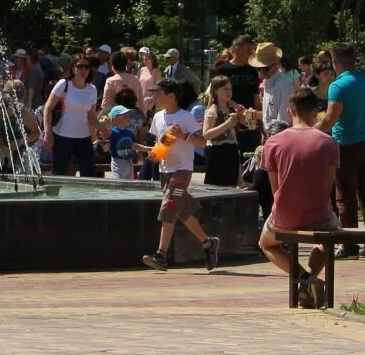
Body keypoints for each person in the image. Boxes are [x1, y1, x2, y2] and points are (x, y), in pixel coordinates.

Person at [257, 87, 341, 306]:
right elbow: (328, 185)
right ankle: (310, 279)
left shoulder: (273, 143)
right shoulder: (329, 143)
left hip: (285, 214)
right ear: (316, 112)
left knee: (266, 244)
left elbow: (275, 188)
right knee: (328, 238)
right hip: (319, 212)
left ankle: (306, 279)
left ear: (289, 112)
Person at [317, 43, 365, 257]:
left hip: (345, 144)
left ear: (334, 63)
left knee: (345, 194)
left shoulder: (338, 86)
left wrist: (310, 131)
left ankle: (349, 244)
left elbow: (331, 118)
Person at [140, 79, 220, 271]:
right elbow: (161, 144)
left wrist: (183, 135)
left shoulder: (186, 117)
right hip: (165, 170)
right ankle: (208, 243)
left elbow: (201, 142)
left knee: (168, 206)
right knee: (182, 212)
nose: (154, 96)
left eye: (158, 93)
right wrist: (154, 154)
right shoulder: (158, 117)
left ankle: (161, 255)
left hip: (182, 170)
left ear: (171, 96)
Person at [213, 35, 264, 186]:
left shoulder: (252, 71)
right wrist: (234, 105)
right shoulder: (222, 69)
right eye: (248, 48)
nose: (251, 51)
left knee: (250, 154)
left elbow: (256, 98)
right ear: (237, 48)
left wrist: (259, 119)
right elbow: (216, 93)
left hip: (249, 119)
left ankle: (248, 185)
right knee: (231, 154)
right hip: (228, 118)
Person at [43, 57, 101, 177]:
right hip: (62, 136)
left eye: (87, 66)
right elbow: (48, 109)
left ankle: (87, 196)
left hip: (84, 138)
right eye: (80, 66)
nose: (83, 69)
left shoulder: (92, 89)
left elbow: (91, 115)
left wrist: (102, 129)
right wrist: (47, 133)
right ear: (73, 68)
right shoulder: (63, 84)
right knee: (59, 173)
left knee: (89, 174)